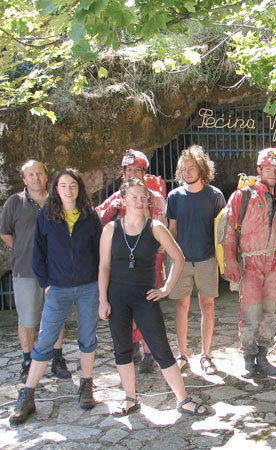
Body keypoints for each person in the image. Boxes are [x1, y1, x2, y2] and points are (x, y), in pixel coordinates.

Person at [98, 178, 208, 417]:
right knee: (122, 350)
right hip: (117, 298)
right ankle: (130, 399)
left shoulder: (155, 227)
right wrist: (102, 300)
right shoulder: (110, 229)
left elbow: (178, 257)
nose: (140, 202)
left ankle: (183, 399)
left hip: (145, 298)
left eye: (143, 197)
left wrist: (166, 288)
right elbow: (104, 267)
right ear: (123, 200)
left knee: (161, 348)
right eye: (134, 197)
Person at [10, 168, 102, 425]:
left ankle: (86, 385)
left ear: (79, 188)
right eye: (63, 185)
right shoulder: (46, 216)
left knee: (87, 337)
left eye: (73, 185)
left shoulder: (90, 216)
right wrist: (46, 284)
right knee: (45, 340)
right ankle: (27, 395)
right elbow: (37, 255)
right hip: (58, 287)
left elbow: (99, 253)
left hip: (87, 286)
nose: (68, 190)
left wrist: (100, 285)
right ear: (56, 189)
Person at [223, 147, 276, 377]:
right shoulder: (243, 195)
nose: (273, 172)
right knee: (250, 313)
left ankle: (263, 355)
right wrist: (230, 260)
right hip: (249, 263)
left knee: (270, 312)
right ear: (259, 169)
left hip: (273, 263)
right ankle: (248, 358)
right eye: (268, 168)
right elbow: (228, 228)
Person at [96, 149, 167, 373]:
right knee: (124, 308)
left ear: (145, 173)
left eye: (138, 169)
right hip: (120, 265)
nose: (133, 173)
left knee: (146, 307)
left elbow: (158, 230)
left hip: (148, 263)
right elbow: (96, 217)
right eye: (129, 170)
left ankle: (149, 354)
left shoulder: (153, 199)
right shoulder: (119, 197)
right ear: (123, 173)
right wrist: (113, 208)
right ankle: (133, 346)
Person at [0, 160, 70, 382]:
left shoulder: (57, 201)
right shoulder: (14, 203)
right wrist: (26, 252)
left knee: (56, 316)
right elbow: (5, 233)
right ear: (24, 180)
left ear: (46, 176)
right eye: (30, 175)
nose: (35, 178)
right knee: (28, 319)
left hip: (55, 272)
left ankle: (57, 359)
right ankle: (27, 361)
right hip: (26, 271)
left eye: (39, 173)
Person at [166, 146, 225, 375]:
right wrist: (170, 262)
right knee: (181, 306)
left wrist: (223, 261)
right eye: (184, 168)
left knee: (207, 306)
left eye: (192, 167)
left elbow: (221, 231)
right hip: (181, 261)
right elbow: (172, 230)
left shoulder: (215, 195)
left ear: (202, 169)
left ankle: (206, 355)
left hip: (207, 259)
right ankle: (181, 354)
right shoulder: (174, 196)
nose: (188, 172)